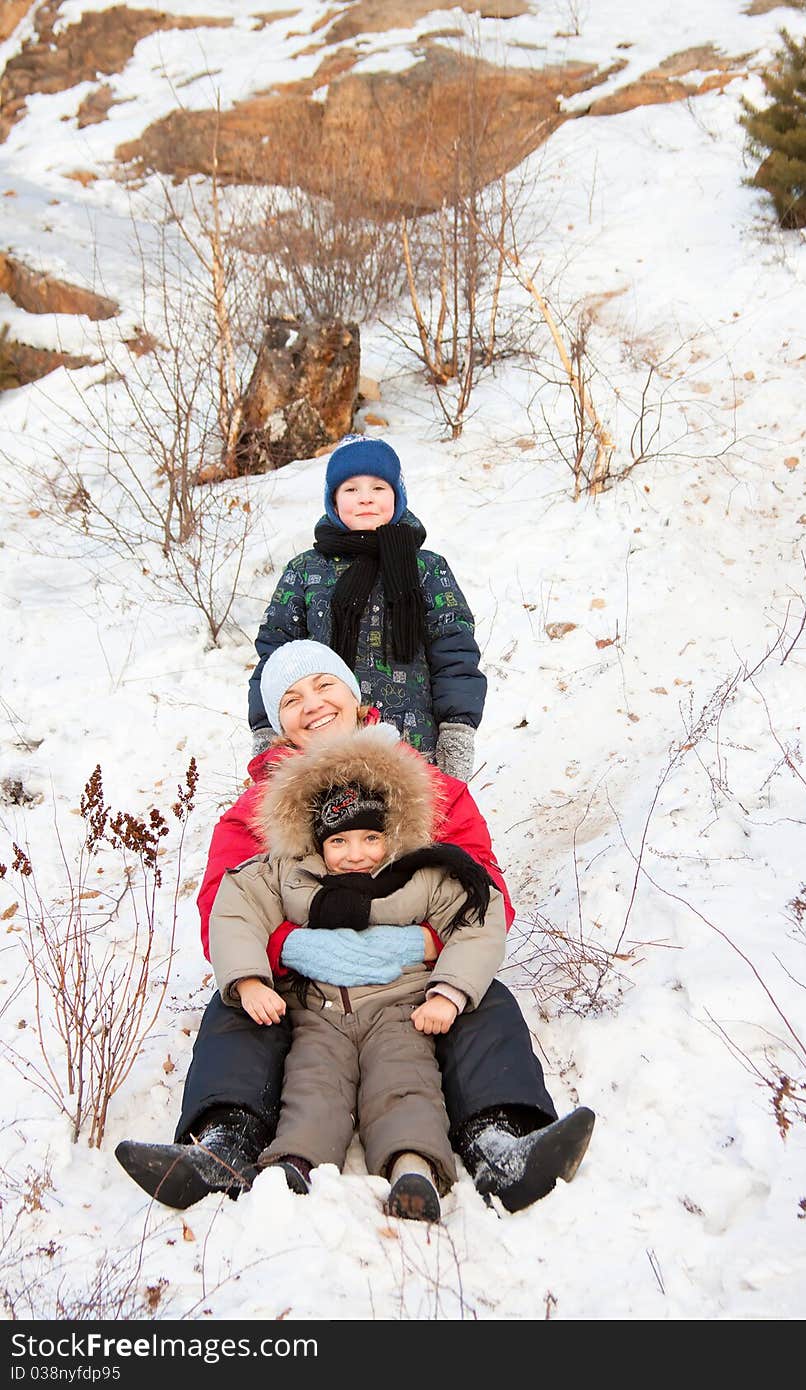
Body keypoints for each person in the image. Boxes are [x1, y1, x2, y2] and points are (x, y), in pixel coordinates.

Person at [115, 640, 595, 1213]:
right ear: (278, 723)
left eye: (324, 686)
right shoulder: (254, 808)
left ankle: (500, 1141)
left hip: (415, 978)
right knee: (238, 1005)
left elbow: (482, 890)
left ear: (354, 692)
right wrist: (293, 947)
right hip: (305, 988)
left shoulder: (433, 787)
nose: (311, 704)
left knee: (483, 997)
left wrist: (427, 943)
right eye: (290, 699)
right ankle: (223, 1143)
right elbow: (224, 907)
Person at [209, 723, 508, 1222]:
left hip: (399, 1008)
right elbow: (235, 908)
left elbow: (477, 918)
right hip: (318, 1012)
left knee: (405, 1080)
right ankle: (297, 1164)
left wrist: (449, 992)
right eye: (340, 841)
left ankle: (411, 1167)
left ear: (390, 834)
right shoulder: (288, 873)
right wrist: (248, 979)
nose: (356, 853)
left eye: (371, 837)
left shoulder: (420, 873)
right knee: (312, 1084)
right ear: (318, 841)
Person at [247, 434, 484, 780]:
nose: (365, 499)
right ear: (333, 500)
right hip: (321, 751)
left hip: (414, 748)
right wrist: (267, 731)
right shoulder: (306, 571)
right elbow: (275, 656)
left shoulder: (427, 569)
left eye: (378, 488)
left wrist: (457, 728)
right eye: (351, 490)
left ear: (397, 496)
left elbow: (454, 650)